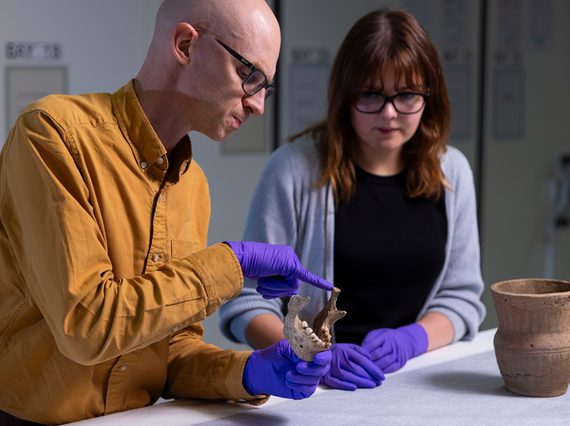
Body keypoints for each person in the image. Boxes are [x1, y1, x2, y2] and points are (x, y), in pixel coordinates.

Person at [0, 1, 334, 424]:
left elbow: (169, 352)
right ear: (185, 45)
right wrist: (232, 261)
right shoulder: (53, 134)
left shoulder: (193, 186)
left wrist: (248, 373)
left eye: (265, 87)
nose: (257, 106)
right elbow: (88, 324)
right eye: (249, 76)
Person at [220, 8, 486, 391]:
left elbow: (461, 299)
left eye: (407, 95)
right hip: (314, 387)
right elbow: (246, 302)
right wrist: (308, 353)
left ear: (430, 95)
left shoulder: (453, 172)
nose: (389, 113)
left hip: (416, 380)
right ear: (345, 96)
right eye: (371, 95)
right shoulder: (293, 169)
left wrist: (413, 340)